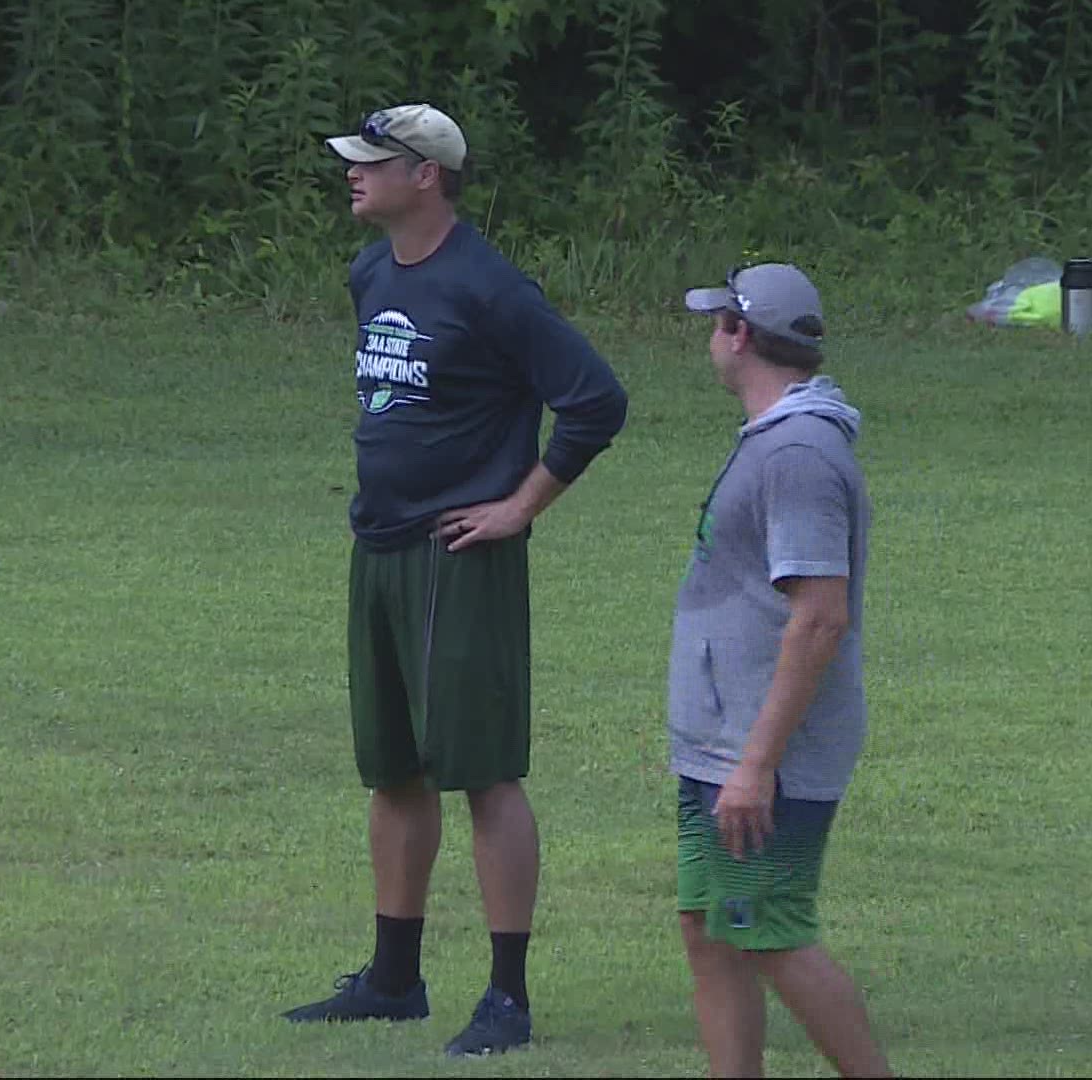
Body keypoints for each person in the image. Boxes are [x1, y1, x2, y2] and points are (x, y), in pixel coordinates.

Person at [281, 103, 629, 1059]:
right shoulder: (372, 270)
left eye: (371, 162)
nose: (352, 174)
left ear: (424, 175)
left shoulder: (491, 287)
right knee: (394, 771)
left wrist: (520, 506)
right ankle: (394, 978)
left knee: (481, 771)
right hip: (381, 544)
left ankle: (507, 997)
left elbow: (596, 400)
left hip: (458, 559)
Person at [668, 263, 893, 1078]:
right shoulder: (776, 439)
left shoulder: (797, 454)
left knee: (771, 932)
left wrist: (756, 765)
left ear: (739, 334)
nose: (710, 335)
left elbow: (820, 615)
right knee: (710, 924)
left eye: (716, 320)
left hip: (764, 754)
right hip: (724, 744)